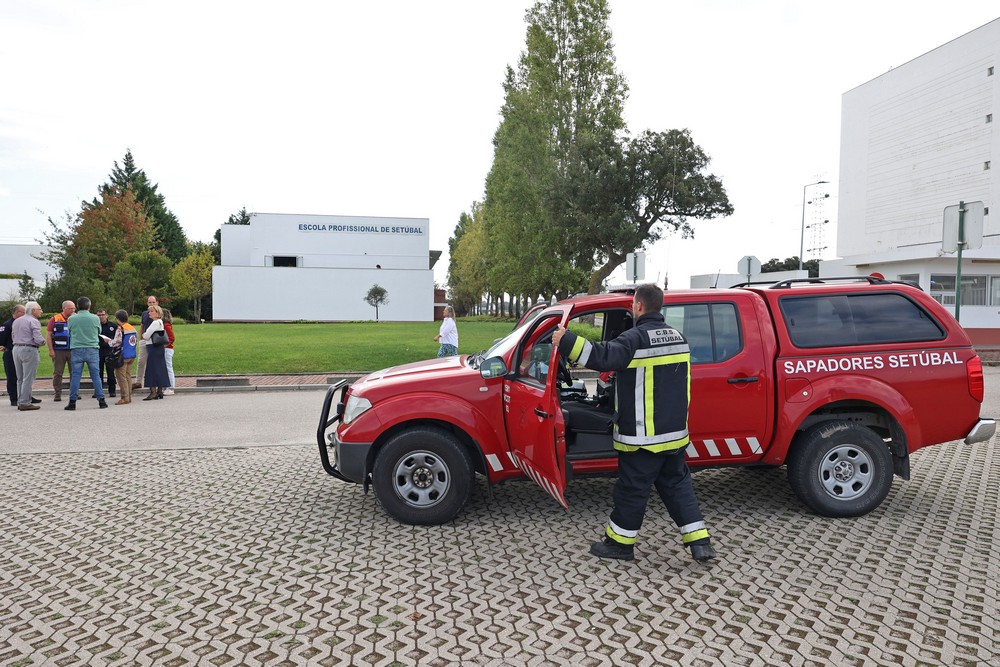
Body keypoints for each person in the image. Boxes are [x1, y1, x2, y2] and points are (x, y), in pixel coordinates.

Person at [552, 283, 716, 564]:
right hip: (674, 436)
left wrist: (565, 340)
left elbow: (602, 357)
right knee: (678, 487)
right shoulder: (679, 337)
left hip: (643, 438)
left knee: (632, 491)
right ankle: (700, 542)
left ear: (638, 306)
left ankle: (619, 545)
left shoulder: (636, 338)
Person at [65, 296, 107, 410]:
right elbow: (99, 331)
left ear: (77, 307)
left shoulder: (71, 319)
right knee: (96, 376)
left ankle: (72, 402)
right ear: (89, 306)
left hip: (77, 348)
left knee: (75, 376)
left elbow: (69, 332)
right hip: (92, 348)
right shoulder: (95, 318)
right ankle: (101, 400)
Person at [11, 302, 45, 411]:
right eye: (39, 309)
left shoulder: (16, 321)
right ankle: (25, 402)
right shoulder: (33, 321)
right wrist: (45, 342)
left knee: (20, 378)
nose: (41, 311)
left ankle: (20, 400)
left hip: (16, 348)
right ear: (33, 310)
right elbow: (38, 339)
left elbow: (13, 336)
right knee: (28, 377)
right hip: (29, 349)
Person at [47, 299, 76, 401]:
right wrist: (51, 350)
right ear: (64, 308)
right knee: (58, 373)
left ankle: (74, 393)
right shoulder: (54, 319)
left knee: (74, 372)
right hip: (59, 350)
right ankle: (57, 393)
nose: (73, 310)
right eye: (70, 308)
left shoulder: (76, 318)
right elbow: (49, 335)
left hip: (73, 349)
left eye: (74, 308)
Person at [2, 304, 30, 406]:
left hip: (22, 352)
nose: (25, 314)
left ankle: (26, 396)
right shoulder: (7, 324)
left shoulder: (24, 323)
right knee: (12, 376)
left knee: (24, 376)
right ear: (17, 313)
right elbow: (2, 339)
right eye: (23, 312)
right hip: (10, 353)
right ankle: (14, 398)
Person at [141, 304, 170, 401]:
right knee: (160, 368)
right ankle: (160, 390)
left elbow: (146, 335)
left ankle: (153, 391)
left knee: (152, 369)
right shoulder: (160, 322)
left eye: (151, 311)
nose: (149, 313)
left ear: (157, 313)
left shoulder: (155, 323)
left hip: (153, 347)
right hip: (159, 347)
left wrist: (144, 334)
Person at [110, 310, 137, 405]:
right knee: (128, 376)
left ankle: (124, 397)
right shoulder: (132, 328)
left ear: (117, 319)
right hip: (131, 354)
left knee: (121, 377)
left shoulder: (120, 328)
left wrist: (108, 341)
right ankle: (129, 396)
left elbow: (116, 342)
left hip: (122, 355)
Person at [134, 295, 158, 390]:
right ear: (147, 303)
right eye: (150, 302)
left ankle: (155, 382)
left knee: (153, 362)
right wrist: (141, 338)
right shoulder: (144, 314)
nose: (151, 304)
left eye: (153, 302)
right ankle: (138, 381)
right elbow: (142, 325)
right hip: (145, 339)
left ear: (157, 303)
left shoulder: (160, 313)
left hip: (154, 341)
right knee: (141, 361)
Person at [96, 308, 119, 398]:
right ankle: (98, 391)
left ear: (107, 315)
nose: (101, 317)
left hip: (110, 351)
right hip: (98, 350)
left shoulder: (113, 326)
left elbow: (117, 338)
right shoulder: (95, 326)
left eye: (102, 315)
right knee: (98, 372)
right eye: (99, 315)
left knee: (110, 372)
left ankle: (112, 391)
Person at [162, 308, 176, 395]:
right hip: (168, 348)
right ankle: (168, 386)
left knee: (168, 367)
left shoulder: (166, 325)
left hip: (167, 349)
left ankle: (171, 387)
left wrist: (165, 345)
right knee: (167, 367)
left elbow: (171, 338)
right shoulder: (166, 325)